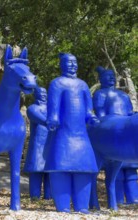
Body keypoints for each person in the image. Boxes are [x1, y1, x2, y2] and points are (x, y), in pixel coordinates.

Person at [45, 53, 99, 213]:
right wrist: (53, 119)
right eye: (68, 62)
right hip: (63, 134)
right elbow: (53, 108)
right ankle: (62, 206)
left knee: (83, 168)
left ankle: (82, 205)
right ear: (61, 64)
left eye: (74, 62)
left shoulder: (83, 85)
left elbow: (89, 109)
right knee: (60, 167)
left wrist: (92, 118)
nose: (72, 65)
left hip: (81, 137)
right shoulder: (56, 83)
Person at [93, 66, 138, 205]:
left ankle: (131, 198)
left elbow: (130, 111)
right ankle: (115, 199)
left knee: (129, 171)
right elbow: (100, 113)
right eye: (107, 76)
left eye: (112, 75)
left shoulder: (123, 95)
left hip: (125, 127)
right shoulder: (100, 94)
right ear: (101, 79)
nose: (111, 78)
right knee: (115, 173)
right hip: (111, 128)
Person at [23, 87, 51, 200]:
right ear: (35, 95)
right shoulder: (32, 108)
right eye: (40, 93)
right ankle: (35, 196)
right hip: (38, 145)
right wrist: (52, 121)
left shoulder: (52, 108)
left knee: (50, 171)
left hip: (50, 144)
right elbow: (43, 120)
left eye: (45, 92)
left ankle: (49, 196)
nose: (43, 95)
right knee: (36, 170)